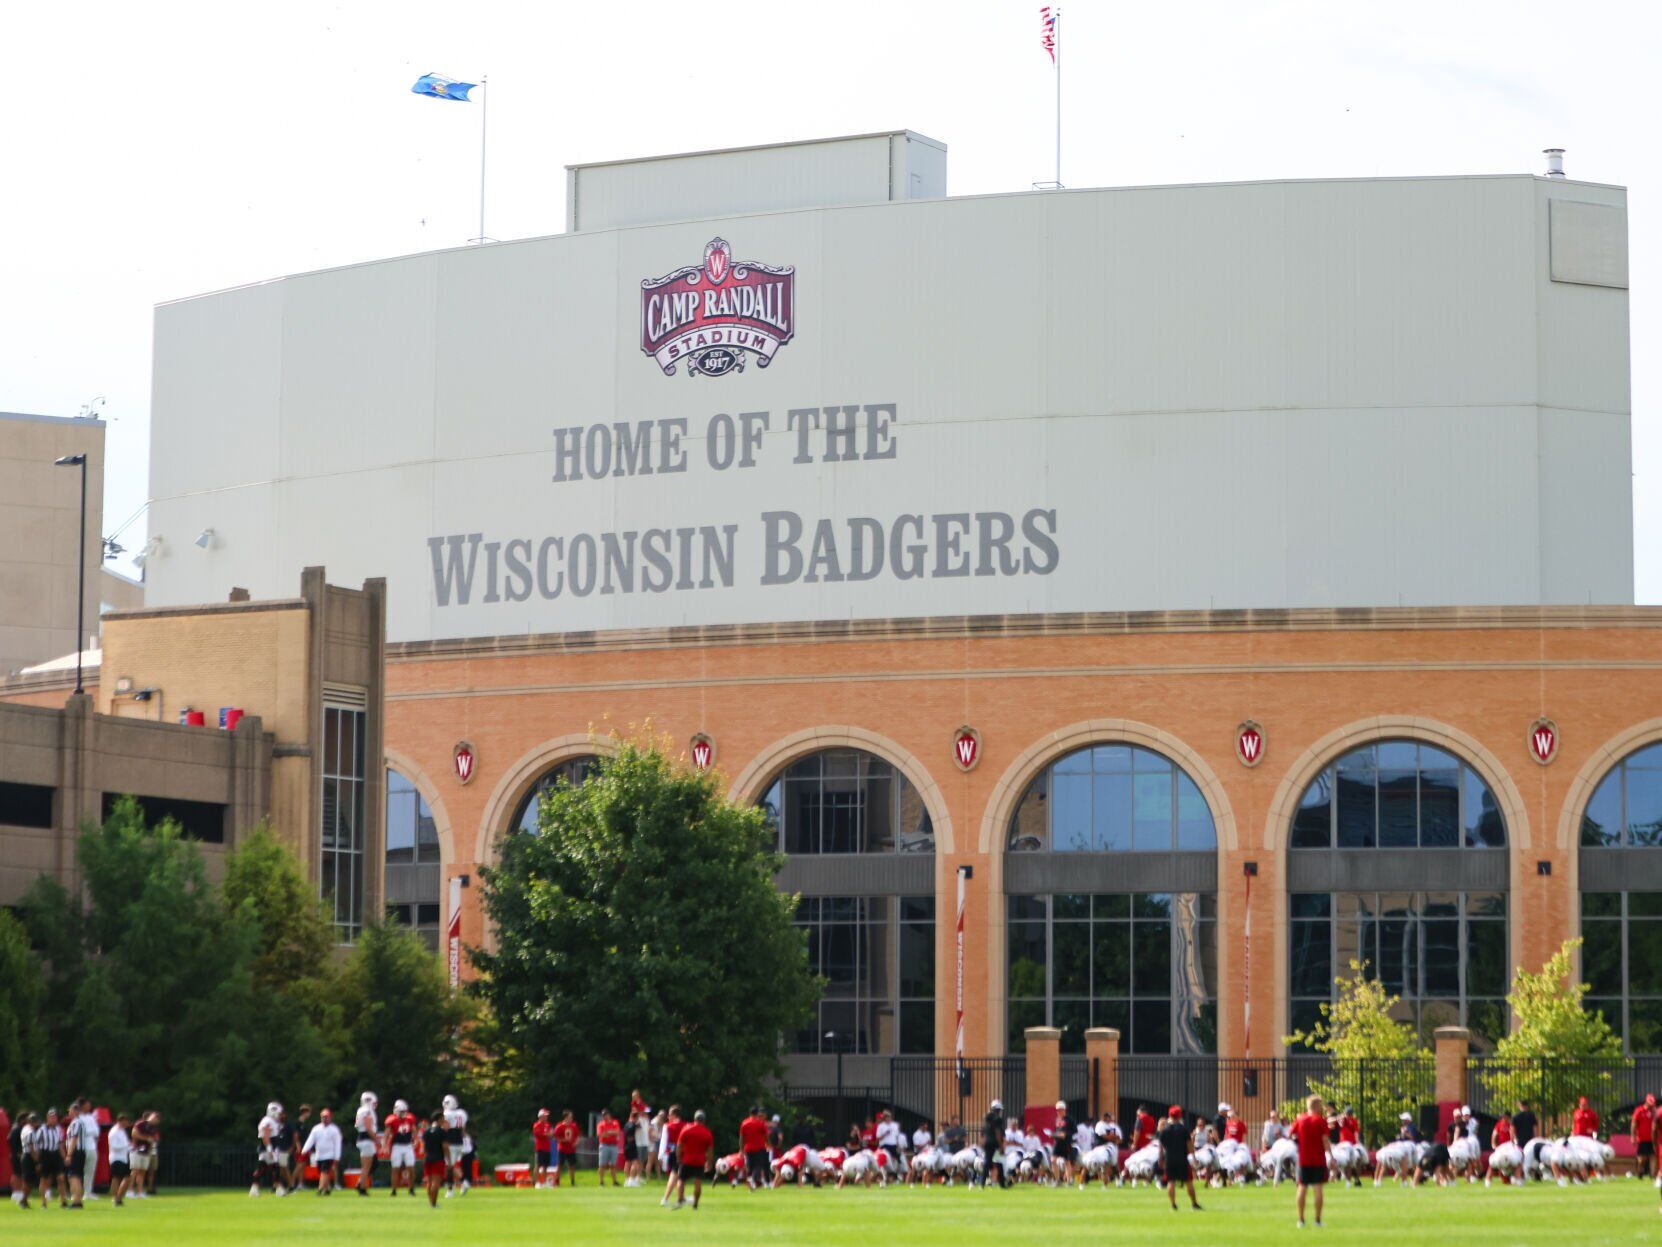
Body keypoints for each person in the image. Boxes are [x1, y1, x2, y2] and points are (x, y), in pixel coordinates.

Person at [1290, 1094, 1332, 1229]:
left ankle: (1301, 1220)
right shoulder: (1320, 1120)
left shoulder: (1300, 1119)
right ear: (1316, 1106)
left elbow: (1291, 1134)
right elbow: (1325, 1140)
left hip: (1303, 1159)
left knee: (1302, 1187)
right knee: (1318, 1188)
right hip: (1318, 1159)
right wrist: (1331, 1155)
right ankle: (1317, 1220)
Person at [1157, 1107, 1201, 1211]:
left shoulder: (1164, 1130)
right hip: (1182, 1159)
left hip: (1170, 1160)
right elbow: (1190, 1145)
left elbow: (1160, 1147)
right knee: (1188, 1181)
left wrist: (1160, 1159)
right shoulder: (1183, 1129)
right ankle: (1194, 1204)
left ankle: (1173, 1205)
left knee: (1170, 1182)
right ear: (1180, 1115)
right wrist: (1193, 1157)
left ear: (1170, 1115)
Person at [670, 1109, 714, 1211]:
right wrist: (709, 1162)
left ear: (694, 1119)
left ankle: (680, 1200)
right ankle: (695, 1204)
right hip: (699, 1161)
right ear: (704, 1120)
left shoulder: (686, 1129)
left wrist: (678, 1158)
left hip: (687, 1159)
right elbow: (710, 1150)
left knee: (681, 1180)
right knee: (698, 1182)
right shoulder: (707, 1133)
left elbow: (679, 1146)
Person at [302, 1107, 343, 1195]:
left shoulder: (334, 1130)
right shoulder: (316, 1129)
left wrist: (337, 1156)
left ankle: (320, 1189)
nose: (325, 1119)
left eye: (326, 1117)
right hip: (319, 1155)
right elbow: (311, 1140)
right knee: (323, 1172)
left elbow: (337, 1144)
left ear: (330, 1118)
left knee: (324, 1172)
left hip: (329, 1155)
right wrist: (304, 1150)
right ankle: (327, 1189)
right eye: (323, 1117)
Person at [32, 1108, 66, 1208]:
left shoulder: (58, 1129)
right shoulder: (42, 1130)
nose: (53, 1119)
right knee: (44, 1179)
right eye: (51, 1117)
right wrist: (37, 1161)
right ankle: (44, 1202)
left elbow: (60, 1144)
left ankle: (63, 1201)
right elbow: (36, 1146)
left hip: (55, 1154)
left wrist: (64, 1157)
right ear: (47, 1118)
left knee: (61, 1178)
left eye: (55, 1117)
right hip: (45, 1155)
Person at [251, 1101, 286, 1197]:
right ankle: (278, 1189)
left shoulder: (272, 1121)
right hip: (268, 1148)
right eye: (278, 1113)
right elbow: (265, 1136)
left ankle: (255, 1189)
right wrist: (269, 1149)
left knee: (265, 1168)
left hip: (270, 1148)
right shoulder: (267, 1121)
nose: (279, 1115)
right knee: (271, 1168)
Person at [70, 1098, 99, 1205]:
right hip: (82, 1147)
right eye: (87, 1104)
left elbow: (96, 1132)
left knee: (90, 1170)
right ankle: (77, 1193)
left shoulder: (91, 1117)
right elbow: (84, 1132)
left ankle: (88, 1191)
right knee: (78, 1172)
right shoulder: (79, 1119)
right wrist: (91, 1132)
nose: (89, 1106)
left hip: (92, 1146)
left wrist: (91, 1133)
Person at [386, 1100, 418, 1196]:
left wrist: (416, 1141)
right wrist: (385, 1145)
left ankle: (411, 1189)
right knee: (395, 1169)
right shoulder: (392, 1120)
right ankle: (394, 1190)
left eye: (404, 1111)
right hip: (397, 1146)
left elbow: (414, 1131)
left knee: (411, 1168)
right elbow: (387, 1133)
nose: (403, 1113)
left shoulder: (410, 1119)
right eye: (401, 1111)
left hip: (408, 1146)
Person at [442, 1094, 470, 1196]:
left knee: (449, 1166)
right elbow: (463, 1130)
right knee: (453, 1166)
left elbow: (445, 1128)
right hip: (460, 1142)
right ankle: (463, 1182)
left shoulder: (447, 1114)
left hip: (451, 1142)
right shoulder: (462, 1113)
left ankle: (450, 1189)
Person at [354, 1092, 379, 1196]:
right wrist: (376, 1139)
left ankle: (360, 1183)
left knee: (370, 1165)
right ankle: (361, 1187)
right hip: (367, 1139)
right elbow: (368, 1127)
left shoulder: (361, 1110)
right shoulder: (367, 1111)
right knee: (366, 1167)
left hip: (362, 1139)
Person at [658, 1105, 685, 1206]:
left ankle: (678, 1198)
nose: (668, 1117)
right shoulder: (685, 1125)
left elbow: (663, 1142)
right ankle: (668, 1198)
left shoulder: (668, 1126)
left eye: (669, 1115)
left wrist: (660, 1156)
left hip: (672, 1153)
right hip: (683, 1154)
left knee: (676, 1176)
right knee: (677, 1176)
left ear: (674, 1115)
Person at [739, 1106, 770, 1191]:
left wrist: (741, 1149)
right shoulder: (760, 1123)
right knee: (759, 1166)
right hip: (759, 1147)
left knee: (750, 1167)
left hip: (748, 1148)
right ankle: (752, 1179)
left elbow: (741, 1138)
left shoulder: (744, 1123)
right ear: (757, 1113)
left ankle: (751, 1186)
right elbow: (766, 1135)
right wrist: (768, 1144)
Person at [422, 1110, 448, 1207]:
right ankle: (434, 1203)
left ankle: (431, 1202)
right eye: (443, 1119)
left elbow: (424, 1146)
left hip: (428, 1158)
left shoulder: (426, 1131)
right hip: (438, 1158)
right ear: (439, 1119)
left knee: (429, 1182)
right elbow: (445, 1146)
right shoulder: (441, 1132)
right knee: (436, 1182)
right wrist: (448, 1158)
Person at [128, 1111, 156, 1199]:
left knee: (142, 1172)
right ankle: (130, 1190)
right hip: (136, 1150)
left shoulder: (152, 1127)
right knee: (134, 1171)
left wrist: (150, 1149)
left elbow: (152, 1139)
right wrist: (146, 1139)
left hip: (146, 1152)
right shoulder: (139, 1124)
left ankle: (140, 1192)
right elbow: (134, 1134)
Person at [107, 1113, 133, 1207]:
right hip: (116, 1158)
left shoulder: (122, 1131)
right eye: (126, 1121)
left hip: (124, 1157)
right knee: (116, 1178)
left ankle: (119, 1197)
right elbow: (114, 1146)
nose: (127, 1124)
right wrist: (126, 1146)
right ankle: (116, 1198)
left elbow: (126, 1144)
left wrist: (131, 1147)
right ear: (121, 1121)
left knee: (127, 1178)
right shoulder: (114, 1132)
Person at [982, 1098, 1007, 1189]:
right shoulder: (998, 1119)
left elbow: (983, 1133)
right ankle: (1002, 1185)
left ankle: (982, 1184)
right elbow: (998, 1132)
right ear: (998, 1110)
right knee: (999, 1163)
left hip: (987, 1143)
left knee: (987, 1163)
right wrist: (1001, 1146)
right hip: (995, 1144)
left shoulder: (986, 1118)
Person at [286, 1105, 312, 1191]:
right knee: (299, 1165)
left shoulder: (305, 1124)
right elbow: (296, 1135)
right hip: (300, 1147)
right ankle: (292, 1183)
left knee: (303, 1165)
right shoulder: (297, 1123)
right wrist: (297, 1145)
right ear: (305, 1112)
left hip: (305, 1147)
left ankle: (300, 1183)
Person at [597, 1108, 624, 1187]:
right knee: (602, 1165)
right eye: (603, 1115)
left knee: (613, 1165)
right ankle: (601, 1182)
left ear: (609, 1115)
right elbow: (601, 1135)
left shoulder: (615, 1122)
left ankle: (614, 1181)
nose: (605, 1116)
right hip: (604, 1145)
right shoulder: (600, 1124)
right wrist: (612, 1132)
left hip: (613, 1145)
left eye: (606, 1114)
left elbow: (617, 1132)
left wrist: (608, 1132)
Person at [553, 1109, 581, 1186]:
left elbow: (578, 1136)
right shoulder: (559, 1126)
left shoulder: (574, 1126)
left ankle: (572, 1182)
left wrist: (576, 1143)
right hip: (562, 1149)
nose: (571, 1118)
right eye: (569, 1117)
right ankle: (556, 1181)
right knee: (559, 1166)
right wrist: (564, 1140)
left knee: (571, 1166)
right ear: (565, 1117)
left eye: (571, 1117)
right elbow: (555, 1137)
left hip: (571, 1149)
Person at [1634, 1095, 1657, 1180]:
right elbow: (1634, 1124)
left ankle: (1652, 1174)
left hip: (1653, 1139)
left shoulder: (1655, 1112)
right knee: (1641, 1159)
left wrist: (1655, 1112)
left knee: (1653, 1156)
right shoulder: (1639, 1111)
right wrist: (1633, 1136)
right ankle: (1640, 1172)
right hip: (1642, 1138)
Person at [531, 1108, 554, 1187]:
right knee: (538, 1165)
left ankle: (544, 1182)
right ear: (540, 1116)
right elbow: (539, 1135)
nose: (546, 1117)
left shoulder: (548, 1125)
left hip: (547, 1148)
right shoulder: (536, 1125)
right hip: (539, 1148)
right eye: (545, 1116)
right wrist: (547, 1134)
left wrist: (548, 1134)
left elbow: (551, 1134)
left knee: (545, 1166)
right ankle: (536, 1182)